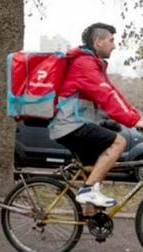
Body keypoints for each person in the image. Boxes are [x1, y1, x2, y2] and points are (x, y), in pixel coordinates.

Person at [49, 22, 143, 208]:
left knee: (94, 169)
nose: (114, 45)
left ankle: (92, 216)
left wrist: (136, 115)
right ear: (99, 41)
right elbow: (106, 96)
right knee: (119, 142)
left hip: (75, 124)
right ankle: (88, 191)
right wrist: (134, 120)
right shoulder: (84, 64)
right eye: (111, 40)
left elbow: (114, 92)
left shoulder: (93, 64)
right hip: (69, 125)